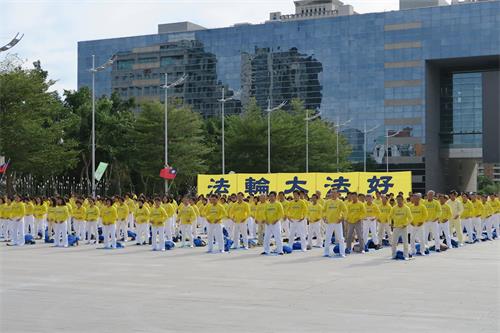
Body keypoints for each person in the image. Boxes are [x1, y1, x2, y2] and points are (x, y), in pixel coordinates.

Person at [323, 190, 347, 257]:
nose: (333, 194)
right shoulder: (327, 202)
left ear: (337, 194)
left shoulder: (340, 202)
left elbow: (345, 210)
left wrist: (342, 218)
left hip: (337, 222)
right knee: (327, 238)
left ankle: (342, 253)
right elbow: (323, 211)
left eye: (334, 193)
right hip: (329, 222)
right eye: (332, 193)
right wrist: (324, 217)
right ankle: (326, 252)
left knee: (340, 238)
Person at [390, 195, 412, 260]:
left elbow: (410, 218)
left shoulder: (406, 208)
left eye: (400, 200)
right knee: (394, 242)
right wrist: (390, 223)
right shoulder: (394, 208)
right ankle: (393, 255)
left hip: (403, 227)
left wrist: (406, 224)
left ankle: (406, 255)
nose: (399, 201)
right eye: (397, 200)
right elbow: (390, 216)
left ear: (402, 200)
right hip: (396, 227)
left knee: (405, 242)